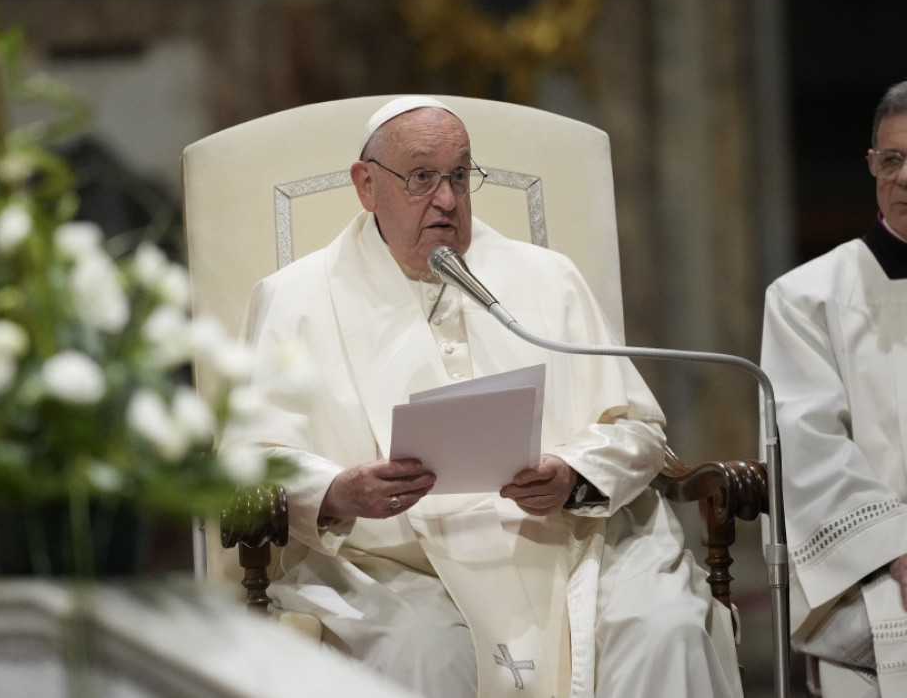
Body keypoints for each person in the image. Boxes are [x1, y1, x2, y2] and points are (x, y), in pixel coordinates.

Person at [222, 96, 742, 698]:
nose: (446, 199)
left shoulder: (548, 278)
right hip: (389, 564)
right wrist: (341, 490)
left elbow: (639, 431)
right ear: (366, 185)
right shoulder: (294, 299)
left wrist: (573, 475)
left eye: (460, 176)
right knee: (423, 651)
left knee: (663, 628)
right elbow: (245, 461)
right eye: (421, 178)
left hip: (573, 548)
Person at [760, 81, 907, 697]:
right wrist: (897, 551)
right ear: (871, 167)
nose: (904, 177)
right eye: (892, 159)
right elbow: (809, 446)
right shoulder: (806, 297)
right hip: (874, 572)